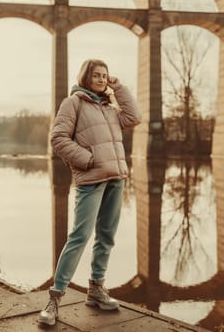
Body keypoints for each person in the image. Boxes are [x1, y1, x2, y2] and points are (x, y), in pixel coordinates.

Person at [38, 59, 141, 326]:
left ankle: (96, 290)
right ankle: (55, 298)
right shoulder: (73, 103)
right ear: (86, 77)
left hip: (116, 179)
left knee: (106, 236)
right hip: (91, 179)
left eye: (105, 75)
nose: (102, 79)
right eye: (97, 75)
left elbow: (134, 117)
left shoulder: (110, 107)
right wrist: (87, 159)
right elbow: (58, 138)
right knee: (79, 236)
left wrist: (119, 88)